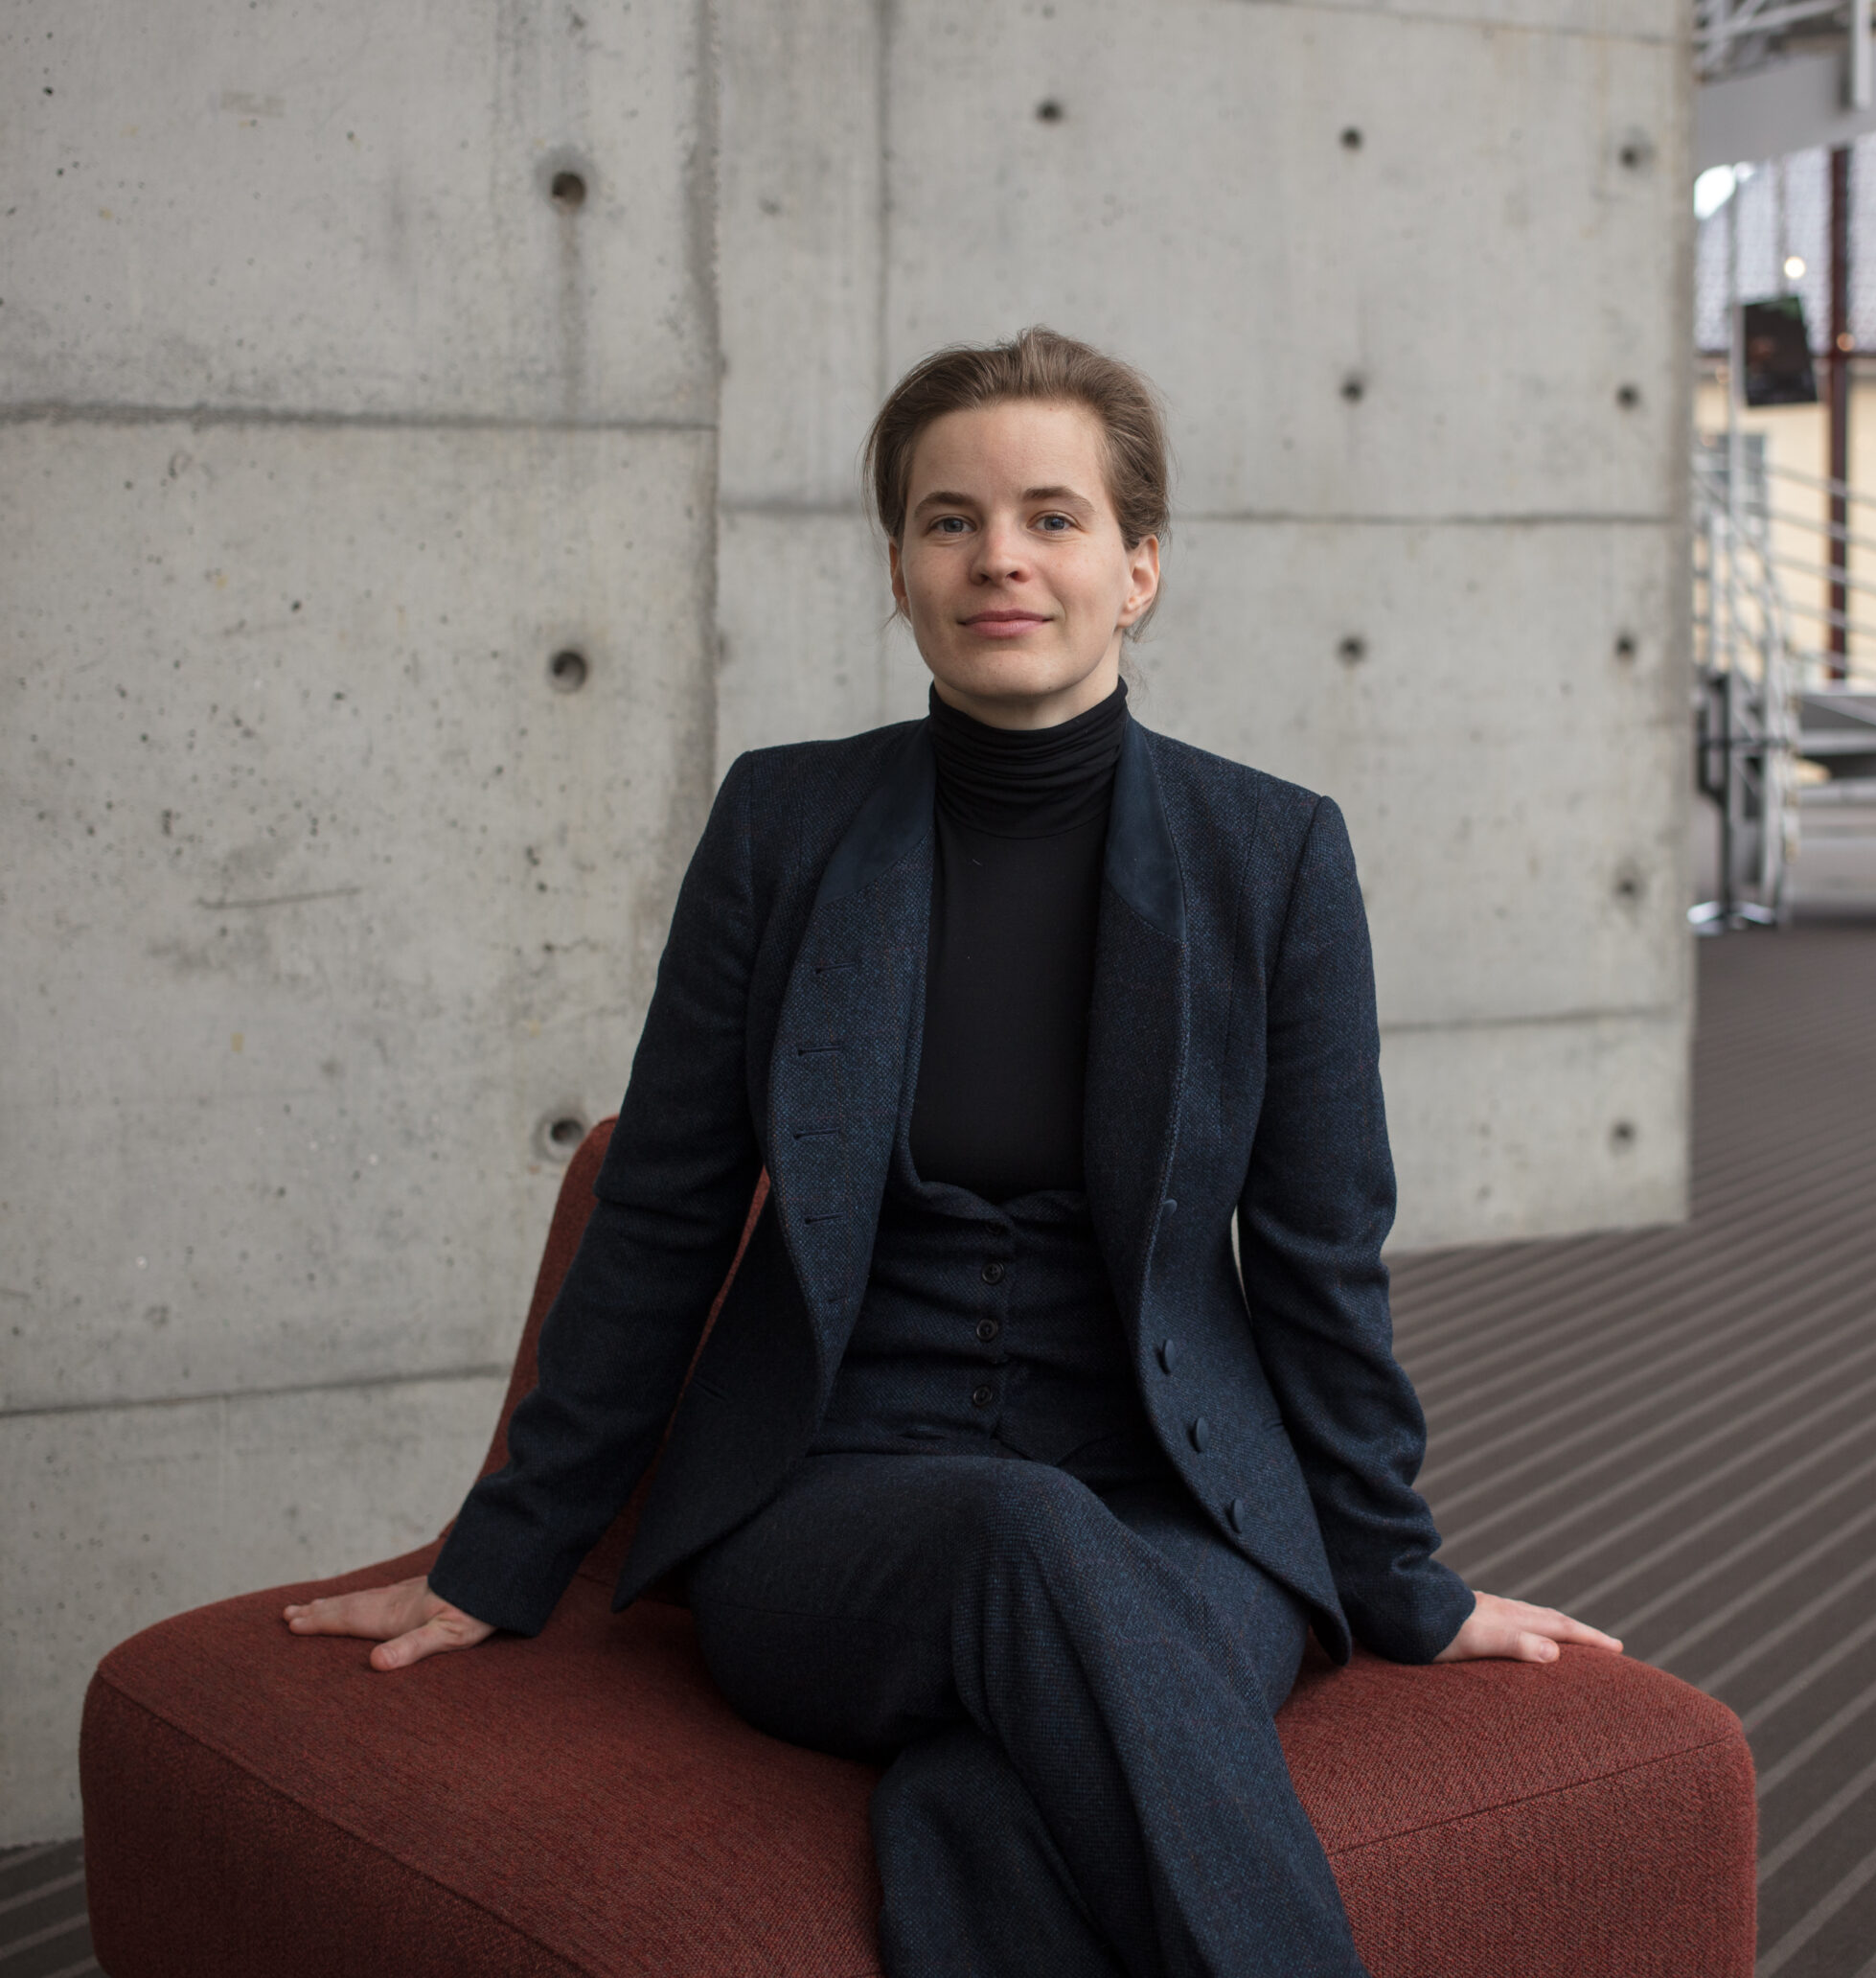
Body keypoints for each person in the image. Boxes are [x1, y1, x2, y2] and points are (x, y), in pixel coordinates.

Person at [286, 328, 1618, 1976]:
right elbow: (667, 1213)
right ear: (902, 569)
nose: (1000, 557)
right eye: (947, 521)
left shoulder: (1271, 856)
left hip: (1179, 1508)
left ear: (1139, 568)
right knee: (1019, 1539)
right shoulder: (784, 828)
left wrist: (1397, 1574)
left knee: (989, 1793)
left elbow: (1320, 1257)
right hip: (830, 1510)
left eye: (1054, 519)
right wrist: (506, 1550)